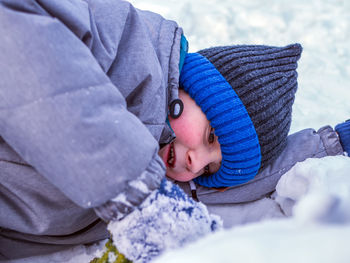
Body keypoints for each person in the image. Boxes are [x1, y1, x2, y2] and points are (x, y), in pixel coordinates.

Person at [0, 0, 349, 261]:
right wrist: (134, 191)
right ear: (190, 86)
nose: (196, 163)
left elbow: (235, 188)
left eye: (211, 169)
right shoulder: (117, 46)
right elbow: (16, 38)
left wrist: (331, 145)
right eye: (212, 136)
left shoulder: (160, 172)